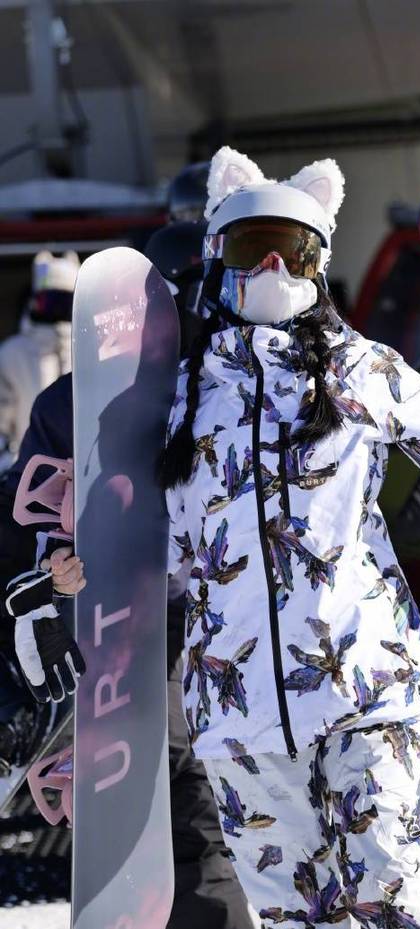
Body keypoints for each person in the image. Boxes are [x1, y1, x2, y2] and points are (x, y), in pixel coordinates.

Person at [11, 146, 420, 929]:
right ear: (215, 258)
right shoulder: (181, 401)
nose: (271, 265)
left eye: (293, 249)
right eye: (248, 244)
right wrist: (70, 566)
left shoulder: (361, 372)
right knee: (299, 919)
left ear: (317, 264)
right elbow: (155, 546)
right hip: (237, 720)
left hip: (365, 689)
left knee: (392, 899)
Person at [0, 222, 258, 929]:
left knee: (198, 806)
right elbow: (24, 518)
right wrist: (48, 577)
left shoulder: (232, 387)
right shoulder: (71, 402)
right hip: (129, 627)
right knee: (170, 800)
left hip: (214, 627)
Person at [0, 250, 78, 473]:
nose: (56, 310)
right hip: (26, 471)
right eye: (49, 302)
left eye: (64, 302)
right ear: (35, 302)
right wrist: (12, 465)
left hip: (79, 472)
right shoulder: (12, 354)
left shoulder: (89, 353)